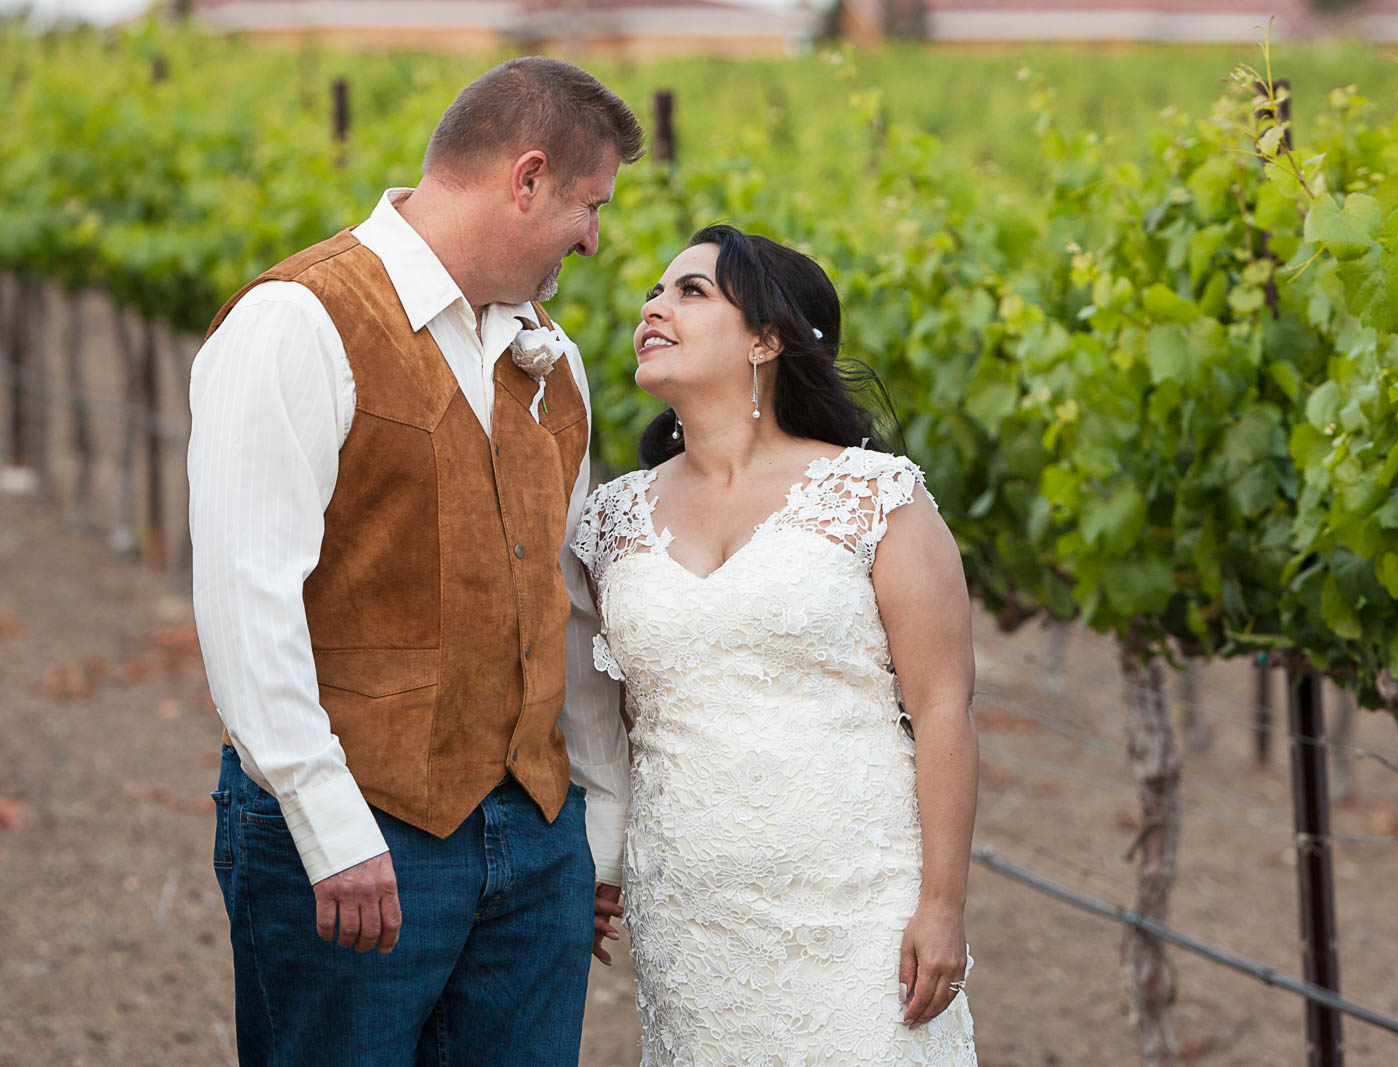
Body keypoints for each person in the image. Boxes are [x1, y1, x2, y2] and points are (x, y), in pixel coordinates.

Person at [187, 58, 640, 1066]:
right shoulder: (296, 321)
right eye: (588, 204)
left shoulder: (553, 361)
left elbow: (563, 603)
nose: (594, 238)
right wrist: (326, 820)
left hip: (536, 844)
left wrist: (593, 829)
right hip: (358, 838)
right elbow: (245, 593)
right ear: (524, 180)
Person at [573, 225, 981, 1063]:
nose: (654, 306)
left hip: (858, 909)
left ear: (767, 339)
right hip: (690, 913)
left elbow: (943, 708)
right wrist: (594, 858)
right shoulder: (608, 517)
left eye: (691, 292)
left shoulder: (874, 494)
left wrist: (942, 906)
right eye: (655, 290)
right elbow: (598, 720)